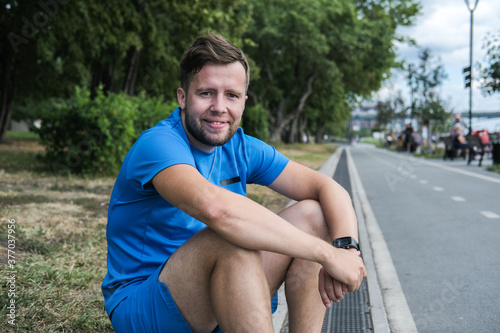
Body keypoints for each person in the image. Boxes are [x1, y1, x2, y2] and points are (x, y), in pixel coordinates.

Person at [101, 33, 366, 333]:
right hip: (147, 307)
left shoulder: (241, 147)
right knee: (232, 238)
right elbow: (216, 210)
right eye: (206, 93)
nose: (219, 107)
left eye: (231, 95)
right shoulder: (159, 144)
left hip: (226, 287)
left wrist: (345, 249)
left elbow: (327, 188)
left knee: (315, 215)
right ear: (182, 97)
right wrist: (325, 254)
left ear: (243, 101)